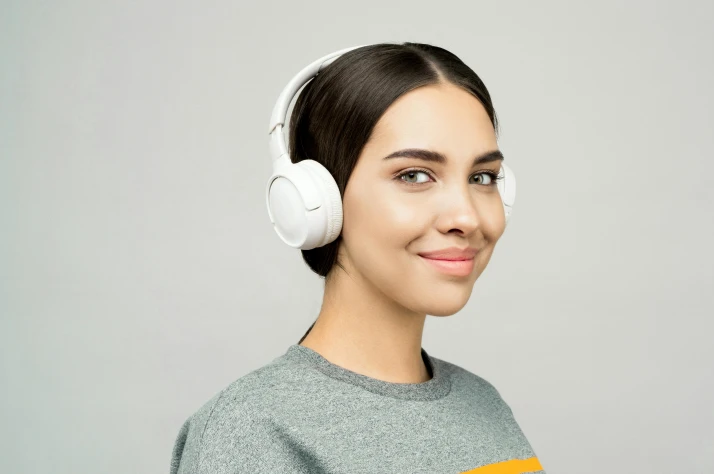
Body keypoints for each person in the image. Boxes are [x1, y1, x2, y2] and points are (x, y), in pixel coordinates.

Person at [169, 42, 544, 474]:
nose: (466, 216)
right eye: (414, 175)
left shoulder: (484, 405)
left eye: (482, 177)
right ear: (316, 200)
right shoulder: (254, 429)